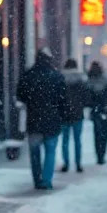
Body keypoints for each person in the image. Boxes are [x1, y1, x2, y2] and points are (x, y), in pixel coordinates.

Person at [16, 49, 67, 190]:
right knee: (50, 151)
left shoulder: (28, 76)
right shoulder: (56, 76)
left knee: (34, 151)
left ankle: (37, 179)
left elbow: (20, 95)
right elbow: (63, 100)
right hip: (52, 119)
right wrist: (62, 115)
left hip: (34, 119)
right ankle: (46, 179)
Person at [60, 59, 91, 173]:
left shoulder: (61, 79)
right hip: (78, 114)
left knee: (65, 140)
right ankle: (78, 164)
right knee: (77, 140)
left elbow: (58, 97)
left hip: (64, 114)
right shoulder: (81, 80)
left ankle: (66, 163)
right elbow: (86, 97)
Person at [87, 61, 107, 165]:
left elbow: (87, 99)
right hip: (105, 110)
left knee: (97, 134)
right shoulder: (106, 81)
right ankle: (102, 154)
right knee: (105, 134)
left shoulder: (89, 82)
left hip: (95, 111)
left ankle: (99, 155)